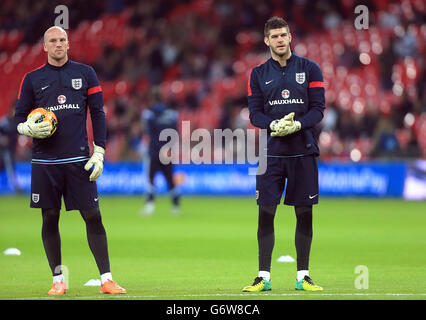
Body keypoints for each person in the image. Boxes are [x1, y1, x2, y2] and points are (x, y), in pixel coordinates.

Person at [14, 26, 126, 295]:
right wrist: (24, 129)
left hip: (79, 159)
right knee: (50, 218)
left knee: (93, 215)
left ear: (68, 43)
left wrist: (99, 150)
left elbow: (98, 113)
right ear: (44, 46)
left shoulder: (86, 73)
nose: (58, 44)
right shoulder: (31, 79)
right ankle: (58, 280)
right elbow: (18, 118)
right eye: (52, 41)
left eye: (62, 39)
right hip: (45, 162)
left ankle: (107, 279)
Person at [243, 17, 325, 292]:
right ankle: (263, 277)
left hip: (303, 150)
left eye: (283, 35)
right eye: (274, 36)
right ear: (266, 41)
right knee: (266, 212)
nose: (280, 40)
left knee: (304, 213)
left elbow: (318, 109)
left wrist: (299, 124)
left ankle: (303, 276)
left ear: (290, 37)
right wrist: (273, 125)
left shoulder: (310, 69)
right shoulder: (257, 73)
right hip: (271, 154)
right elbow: (255, 113)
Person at [141, 87, 180, 215]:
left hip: (154, 151)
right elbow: (175, 133)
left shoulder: (149, 114)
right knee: (170, 178)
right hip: (167, 151)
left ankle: (150, 205)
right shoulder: (171, 113)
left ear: (152, 98)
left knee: (151, 178)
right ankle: (175, 206)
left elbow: (149, 133)